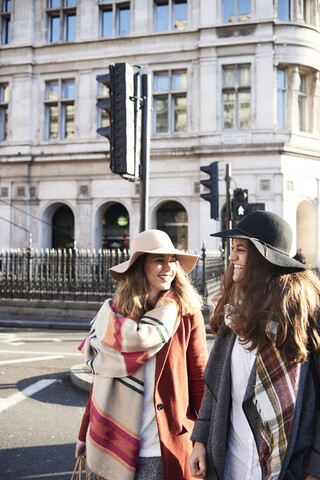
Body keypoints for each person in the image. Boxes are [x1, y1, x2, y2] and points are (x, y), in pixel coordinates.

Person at [189, 210, 320, 480]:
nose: (231, 257)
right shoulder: (233, 313)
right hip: (230, 465)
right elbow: (216, 386)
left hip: (288, 466)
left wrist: (315, 468)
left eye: (240, 249)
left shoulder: (305, 319)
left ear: (263, 257)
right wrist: (200, 440)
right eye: (233, 248)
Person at [75, 229, 208, 480]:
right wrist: (84, 433)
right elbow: (101, 379)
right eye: (159, 260)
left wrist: (202, 439)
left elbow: (200, 380)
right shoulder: (115, 317)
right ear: (139, 267)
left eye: (172, 260)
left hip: (165, 445)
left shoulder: (187, 315)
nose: (168, 267)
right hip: (113, 443)